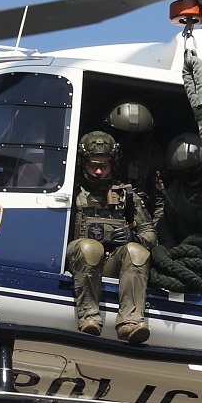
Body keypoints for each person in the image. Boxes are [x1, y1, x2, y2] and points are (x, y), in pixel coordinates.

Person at [67, 131, 156, 344]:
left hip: (110, 263)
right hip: (77, 260)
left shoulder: (125, 194)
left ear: (113, 163)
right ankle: (89, 317)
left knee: (137, 252)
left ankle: (130, 323)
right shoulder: (70, 191)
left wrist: (133, 236)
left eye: (104, 165)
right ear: (82, 163)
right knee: (90, 248)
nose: (99, 171)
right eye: (93, 165)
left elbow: (150, 235)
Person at [149, 134, 202, 293]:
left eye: (193, 170)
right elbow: (171, 238)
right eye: (183, 173)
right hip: (191, 251)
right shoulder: (172, 198)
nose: (190, 176)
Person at [107, 102, 164, 214]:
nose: (130, 141)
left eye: (137, 137)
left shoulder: (153, 157)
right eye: (124, 135)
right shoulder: (105, 153)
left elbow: (159, 200)